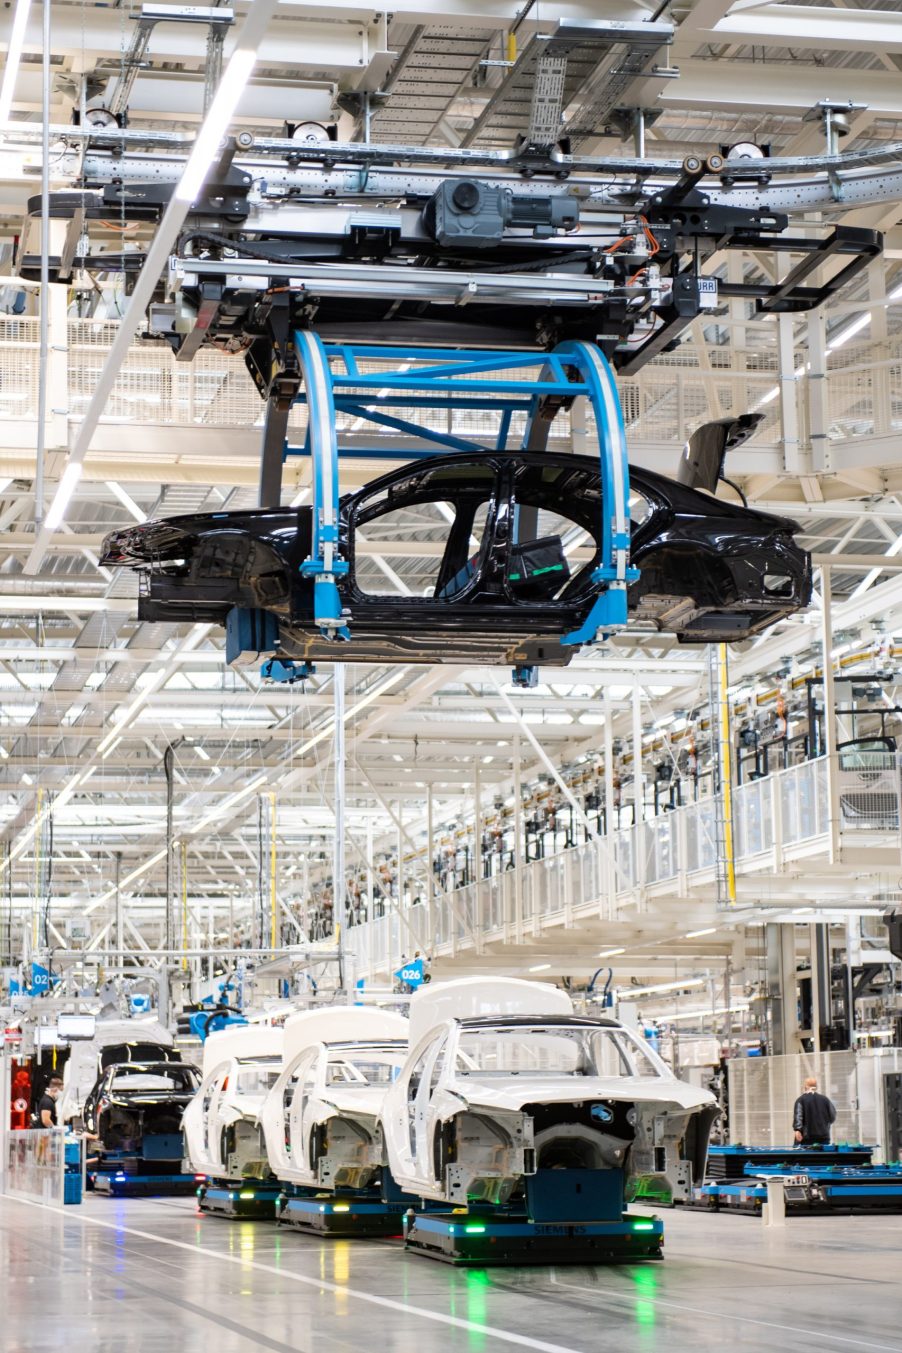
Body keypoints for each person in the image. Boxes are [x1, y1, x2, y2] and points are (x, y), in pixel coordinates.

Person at [793, 1076, 836, 1146]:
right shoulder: (825, 1100)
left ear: (805, 1086)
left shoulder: (800, 1100)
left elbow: (798, 1117)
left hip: (807, 1139)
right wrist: (824, 1125)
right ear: (816, 1087)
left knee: (807, 1156)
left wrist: (797, 1130)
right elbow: (832, 1116)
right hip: (824, 1138)